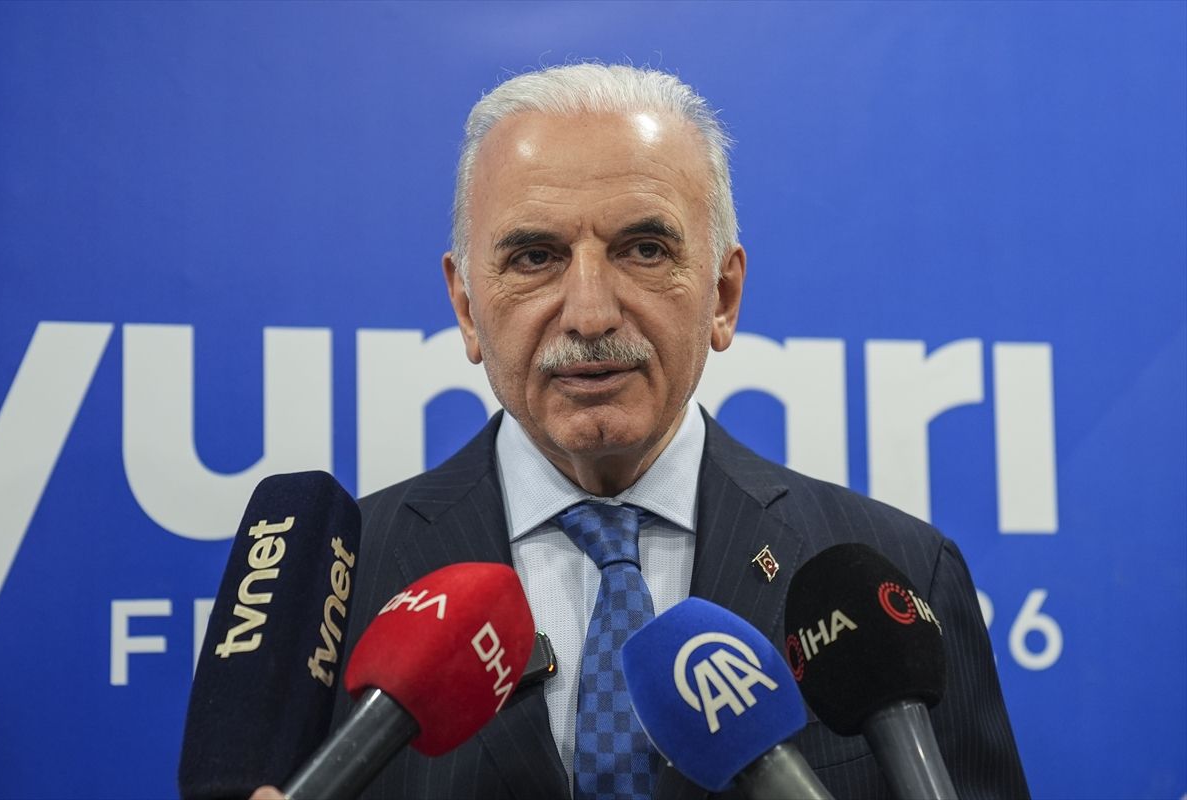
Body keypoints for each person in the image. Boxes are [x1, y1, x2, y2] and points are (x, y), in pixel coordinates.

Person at [307, 63, 1028, 800]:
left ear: (723, 296)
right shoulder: (337, 585)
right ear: (466, 307)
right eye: (535, 257)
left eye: (644, 251)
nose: (590, 315)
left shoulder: (905, 572)